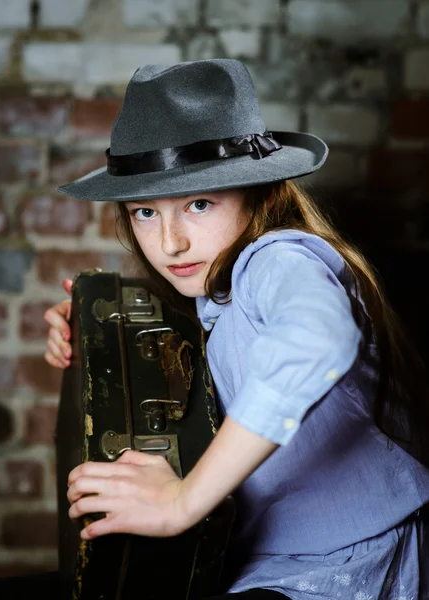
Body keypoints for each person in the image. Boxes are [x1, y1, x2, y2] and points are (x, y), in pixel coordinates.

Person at [27, 59, 429, 598]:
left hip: (349, 563)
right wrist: (92, 334)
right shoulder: (218, 293)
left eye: (198, 204)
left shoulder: (278, 260)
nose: (170, 242)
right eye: (145, 212)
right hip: (257, 559)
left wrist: (183, 501)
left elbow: (315, 340)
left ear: (260, 193)